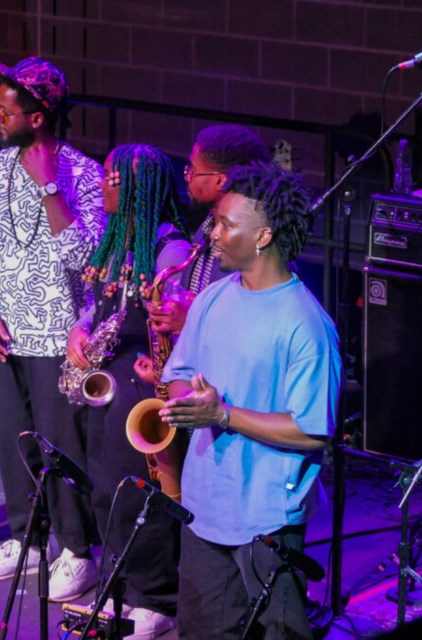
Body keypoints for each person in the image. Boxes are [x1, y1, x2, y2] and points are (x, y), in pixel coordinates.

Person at [160, 160, 341, 639]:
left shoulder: (307, 325)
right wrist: (187, 400)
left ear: (262, 237)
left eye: (224, 224)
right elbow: (178, 372)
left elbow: (311, 430)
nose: (212, 233)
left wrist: (221, 413)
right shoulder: (213, 298)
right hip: (204, 509)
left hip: (266, 521)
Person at [0, 56, 105, 602]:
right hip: (5, 332)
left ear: (39, 116)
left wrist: (51, 189)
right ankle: (28, 538)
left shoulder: (83, 175)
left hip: (58, 338)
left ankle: (76, 550)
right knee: (13, 442)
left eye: (6, 109)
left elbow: (84, 258)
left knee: (60, 447)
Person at [64, 144, 191, 638]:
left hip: (144, 384)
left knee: (138, 494)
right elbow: (96, 305)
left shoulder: (170, 249)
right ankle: (118, 590)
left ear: (137, 189)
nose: (102, 185)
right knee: (104, 489)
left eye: (112, 179)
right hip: (110, 380)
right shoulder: (119, 238)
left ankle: (154, 598)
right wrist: (80, 328)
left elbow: (180, 323)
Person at [135, 125, 270, 382]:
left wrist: (191, 319)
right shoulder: (204, 231)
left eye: (193, 170)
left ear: (221, 180)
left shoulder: (254, 246)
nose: (186, 176)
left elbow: (258, 330)